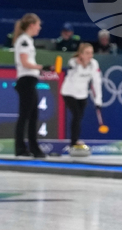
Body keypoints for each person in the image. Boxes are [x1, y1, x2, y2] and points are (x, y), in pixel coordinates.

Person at [13, 13, 51, 158]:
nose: (39, 28)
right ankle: (23, 148)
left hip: (29, 80)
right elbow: (24, 63)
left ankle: (30, 148)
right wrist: (42, 67)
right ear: (31, 25)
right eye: (38, 25)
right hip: (26, 81)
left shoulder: (27, 40)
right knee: (26, 115)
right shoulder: (24, 41)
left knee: (32, 115)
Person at [60, 43, 103, 148]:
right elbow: (73, 79)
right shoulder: (73, 63)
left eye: (91, 53)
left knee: (79, 118)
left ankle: (75, 140)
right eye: (87, 53)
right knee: (76, 115)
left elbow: (97, 82)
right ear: (81, 54)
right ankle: (73, 142)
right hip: (69, 93)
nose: (90, 55)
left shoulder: (94, 64)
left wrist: (98, 99)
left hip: (82, 94)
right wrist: (80, 66)